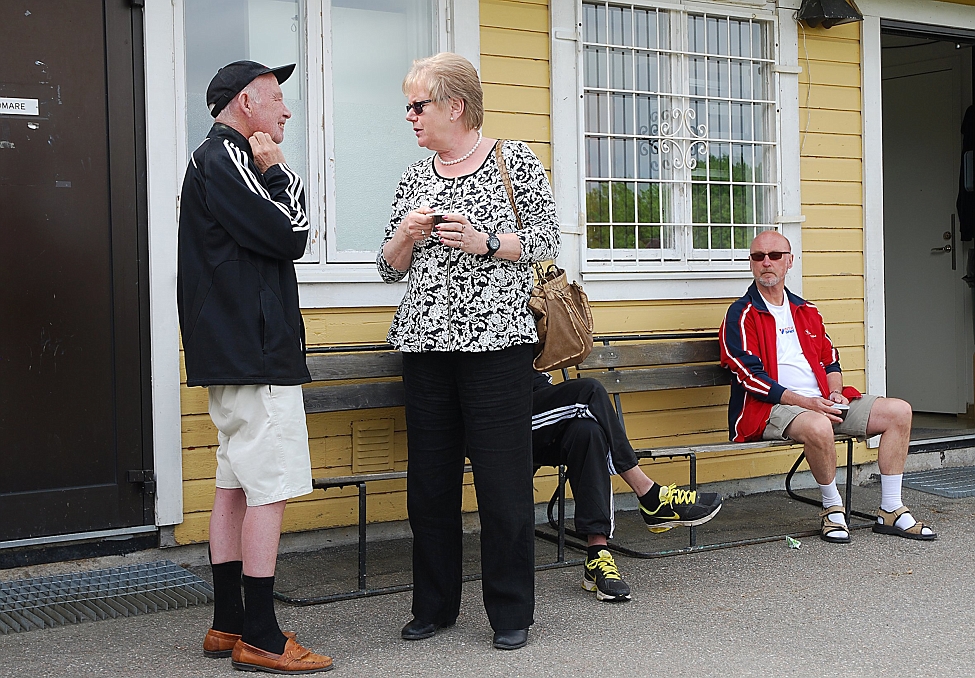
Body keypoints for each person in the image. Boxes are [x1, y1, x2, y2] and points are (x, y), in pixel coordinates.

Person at [377, 53, 560, 651]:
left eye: (418, 105)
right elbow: (387, 269)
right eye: (408, 106)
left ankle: (511, 612)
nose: (410, 116)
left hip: (496, 349)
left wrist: (486, 240)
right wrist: (404, 237)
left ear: (455, 105)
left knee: (502, 481)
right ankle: (434, 606)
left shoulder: (513, 161)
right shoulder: (414, 176)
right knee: (428, 483)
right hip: (426, 347)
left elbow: (546, 242)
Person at [177, 60, 332, 674]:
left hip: (234, 350)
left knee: (235, 484)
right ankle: (262, 637)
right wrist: (277, 169)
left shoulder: (210, 161)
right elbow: (293, 233)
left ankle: (228, 623)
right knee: (269, 487)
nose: (286, 111)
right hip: (254, 349)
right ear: (247, 102)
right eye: (277, 99)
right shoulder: (228, 158)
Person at [719, 230, 936, 544]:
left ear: (789, 261)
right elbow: (748, 376)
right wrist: (808, 404)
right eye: (758, 256)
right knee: (819, 425)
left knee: (898, 411)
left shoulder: (806, 311)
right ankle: (833, 509)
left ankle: (890, 508)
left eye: (775, 255)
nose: (767, 262)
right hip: (769, 408)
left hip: (821, 401)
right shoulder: (741, 314)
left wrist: (834, 392)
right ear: (752, 264)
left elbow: (829, 358)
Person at [531, 372, 722, 602]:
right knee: (589, 392)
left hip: (537, 398)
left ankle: (597, 554)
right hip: (498, 413)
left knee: (588, 432)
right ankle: (649, 494)